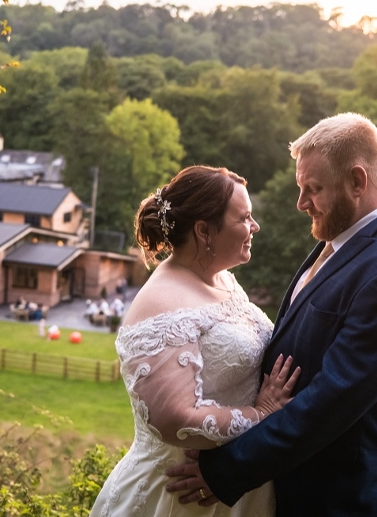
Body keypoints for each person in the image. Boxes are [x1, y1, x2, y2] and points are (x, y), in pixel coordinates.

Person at [165, 113, 377, 516]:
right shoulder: (345, 241)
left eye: (313, 189)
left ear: (357, 182)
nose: (301, 203)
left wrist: (227, 469)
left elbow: (330, 403)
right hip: (295, 484)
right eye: (301, 187)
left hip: (337, 499)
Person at [89, 165, 300, 517]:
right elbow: (175, 418)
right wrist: (261, 415)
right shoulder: (162, 303)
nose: (255, 227)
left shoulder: (223, 280)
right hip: (178, 496)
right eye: (244, 218)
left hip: (234, 486)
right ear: (204, 230)